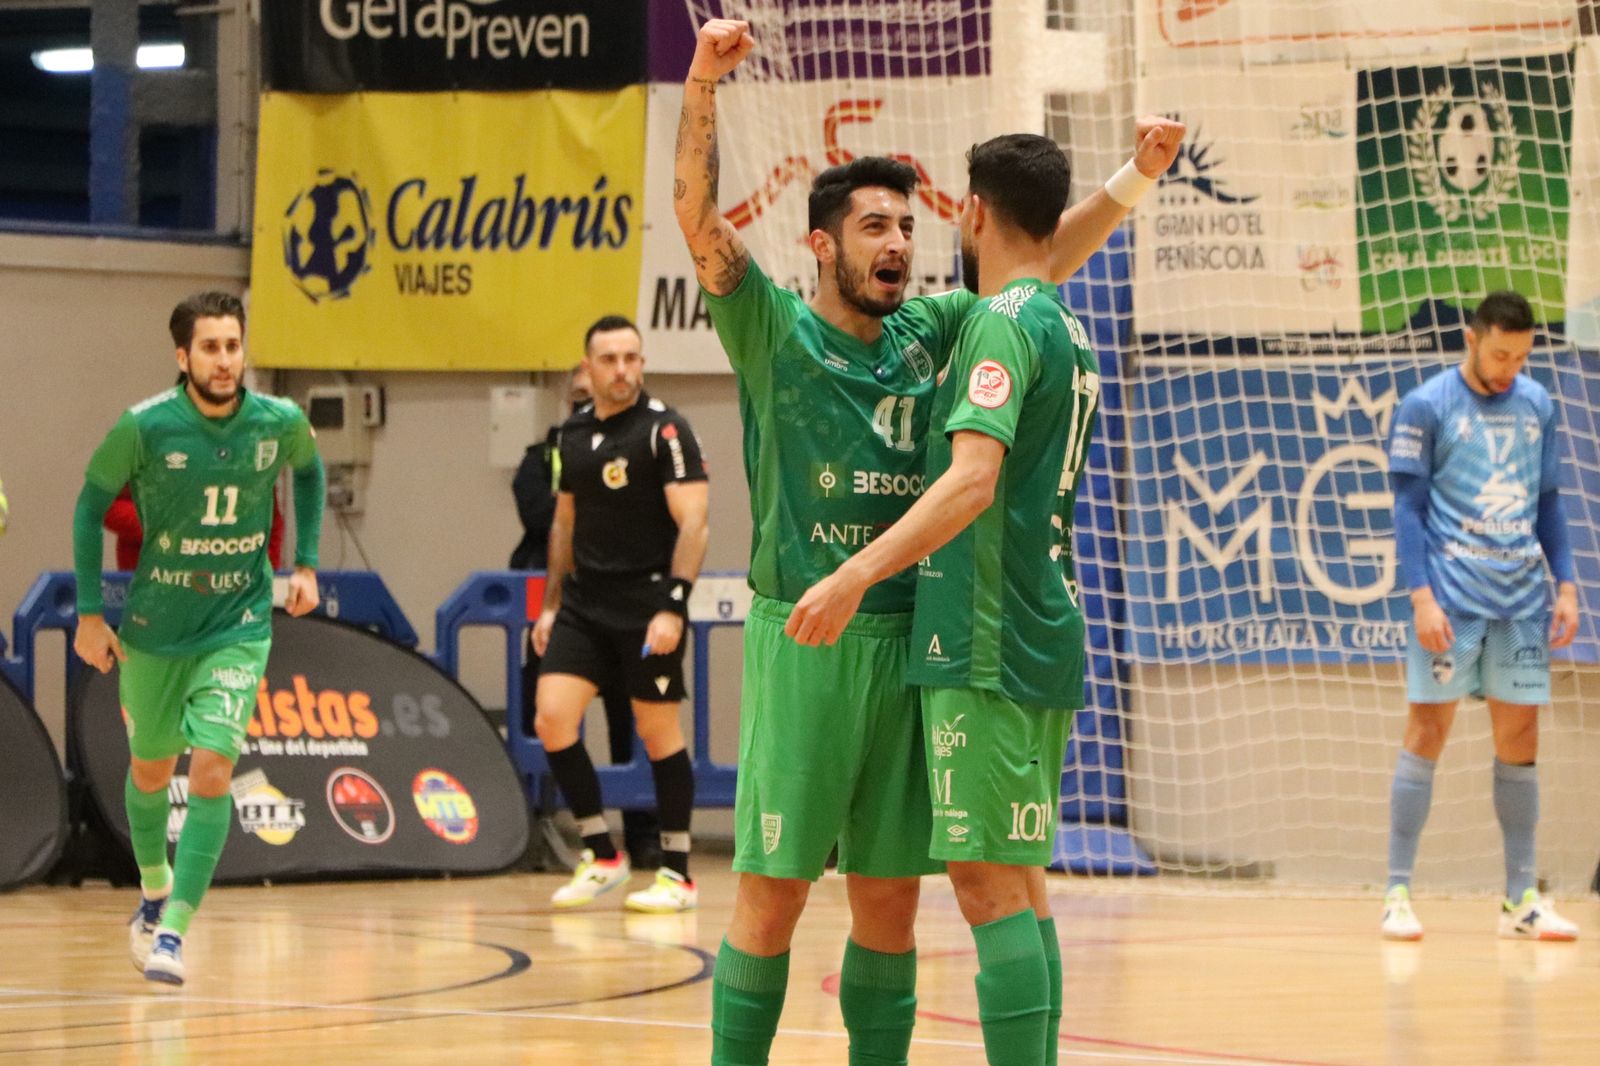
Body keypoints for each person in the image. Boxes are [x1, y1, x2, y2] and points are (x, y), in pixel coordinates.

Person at [677, 19, 1181, 1066]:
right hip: (808, 638)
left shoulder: (935, 328)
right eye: (874, 226)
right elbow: (695, 216)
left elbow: (1039, 258)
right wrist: (700, 85)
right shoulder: (772, 328)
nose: (899, 243)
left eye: (907, 225)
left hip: (913, 640)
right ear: (823, 245)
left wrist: (1133, 180)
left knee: (889, 901)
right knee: (771, 895)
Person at [786, 131, 1108, 1066]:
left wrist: (851, 573)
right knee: (1020, 879)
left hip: (984, 631)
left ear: (972, 213)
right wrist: (1135, 178)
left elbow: (971, 481)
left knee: (984, 880)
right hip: (1040, 621)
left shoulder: (1000, 324)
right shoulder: (1059, 320)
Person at [71, 291, 326, 987]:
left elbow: (309, 470)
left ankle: (174, 932)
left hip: (237, 624)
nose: (224, 360)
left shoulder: (279, 420)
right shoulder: (146, 426)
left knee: (213, 768)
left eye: (233, 346)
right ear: (183, 356)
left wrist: (305, 562)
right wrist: (90, 615)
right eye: (210, 347)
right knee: (152, 772)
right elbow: (91, 505)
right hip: (157, 627)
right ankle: (154, 888)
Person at [1379, 291, 1580, 942]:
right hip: (1450, 599)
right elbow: (1408, 509)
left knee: (1520, 739)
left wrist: (1567, 585)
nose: (1509, 369)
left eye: (1521, 357)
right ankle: (1397, 894)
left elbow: (1549, 502)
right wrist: (1421, 596)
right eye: (1499, 355)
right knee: (1426, 733)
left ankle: (1521, 900)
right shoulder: (1427, 405)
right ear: (1471, 339)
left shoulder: (1537, 404)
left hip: (1520, 600)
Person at [531, 314, 710, 912]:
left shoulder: (665, 430)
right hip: (584, 604)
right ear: (589, 368)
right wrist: (552, 605)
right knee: (552, 718)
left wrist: (673, 606)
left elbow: (695, 524)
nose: (622, 370)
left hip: (647, 603)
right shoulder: (572, 434)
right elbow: (564, 523)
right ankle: (603, 855)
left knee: (658, 733)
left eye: (632, 358)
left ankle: (677, 874)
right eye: (609, 359)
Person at [512, 364, 661, 868]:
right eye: (576, 398)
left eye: (589, 396)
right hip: (565, 614)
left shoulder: (645, 448)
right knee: (548, 719)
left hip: (623, 607)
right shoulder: (541, 457)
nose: (584, 405)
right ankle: (542, 826)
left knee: (633, 726)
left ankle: (643, 835)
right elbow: (541, 516)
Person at [106, 483, 285, 570]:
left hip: (234, 591)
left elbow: (270, 520)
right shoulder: (150, 433)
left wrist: (265, 573)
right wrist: (176, 527)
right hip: (153, 588)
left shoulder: (249, 443)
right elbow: (108, 505)